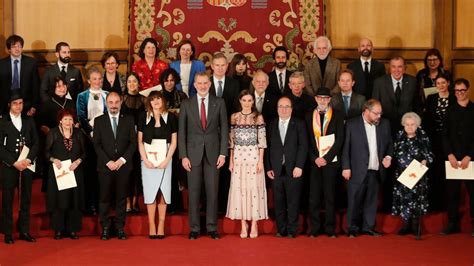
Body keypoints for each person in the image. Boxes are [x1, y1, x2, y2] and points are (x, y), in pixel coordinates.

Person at [178, 72, 228, 240]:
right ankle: (194, 228)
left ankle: (212, 227)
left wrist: (223, 153)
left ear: (210, 84)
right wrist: (183, 156)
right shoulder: (186, 104)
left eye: (205, 83)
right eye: (199, 83)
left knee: (212, 192)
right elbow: (182, 132)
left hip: (214, 154)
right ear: (194, 85)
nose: (202, 86)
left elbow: (224, 129)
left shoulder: (219, 103)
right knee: (193, 192)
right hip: (192, 155)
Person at [342, 99, 393, 238]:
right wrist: (345, 167)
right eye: (376, 113)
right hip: (356, 170)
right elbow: (345, 147)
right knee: (354, 200)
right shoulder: (352, 124)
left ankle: (368, 227)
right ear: (366, 111)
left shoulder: (385, 124)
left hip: (375, 170)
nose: (379, 116)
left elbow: (390, 144)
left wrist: (388, 156)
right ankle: (352, 228)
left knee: (371, 201)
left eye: (380, 113)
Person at [93, 92, 137, 240]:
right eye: (110, 102)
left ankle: (120, 228)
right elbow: (97, 145)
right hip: (105, 166)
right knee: (104, 198)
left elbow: (133, 143)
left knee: (121, 198)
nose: (113, 105)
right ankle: (105, 227)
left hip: (123, 166)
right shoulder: (99, 121)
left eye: (116, 102)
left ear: (120, 102)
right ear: (106, 103)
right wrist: (108, 162)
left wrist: (121, 160)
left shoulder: (129, 120)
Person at [226, 90, 268, 238]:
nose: (247, 103)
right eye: (244, 100)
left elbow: (262, 141)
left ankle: (254, 223)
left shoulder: (258, 117)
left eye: (250, 100)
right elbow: (231, 141)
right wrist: (231, 160)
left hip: (253, 157)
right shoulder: (234, 117)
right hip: (238, 157)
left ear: (253, 102)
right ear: (240, 101)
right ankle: (243, 223)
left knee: (253, 189)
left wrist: (261, 161)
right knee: (240, 189)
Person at [265, 96, 308, 238]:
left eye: (286, 106)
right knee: (279, 202)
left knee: (293, 201)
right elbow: (268, 147)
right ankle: (280, 229)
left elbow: (303, 146)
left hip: (293, 170)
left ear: (291, 109)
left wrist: (299, 166)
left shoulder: (299, 124)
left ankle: (291, 230)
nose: (283, 109)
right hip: (276, 170)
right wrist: (269, 167)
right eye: (281, 106)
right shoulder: (272, 124)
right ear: (277, 109)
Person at [137, 91, 178, 239]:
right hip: (147, 161)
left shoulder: (171, 117)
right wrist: (145, 160)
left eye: (158, 99)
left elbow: (174, 142)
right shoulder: (143, 117)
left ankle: (161, 224)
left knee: (163, 192)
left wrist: (167, 160)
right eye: (152, 99)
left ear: (163, 101)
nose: (155, 102)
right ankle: (151, 225)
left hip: (166, 160)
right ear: (149, 102)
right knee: (150, 192)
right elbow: (140, 141)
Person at [0, 93, 39, 244]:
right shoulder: (3, 122)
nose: (18, 106)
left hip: (27, 165)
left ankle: (24, 230)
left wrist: (29, 159)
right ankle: (8, 232)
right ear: (9, 104)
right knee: (8, 200)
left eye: (21, 103)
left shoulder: (29, 120)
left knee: (26, 199)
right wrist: (13, 162)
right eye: (15, 103)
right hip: (10, 167)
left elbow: (36, 142)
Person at [305, 87, 345, 238]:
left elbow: (340, 140)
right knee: (314, 197)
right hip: (314, 162)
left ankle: (330, 229)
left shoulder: (337, 115)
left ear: (329, 100)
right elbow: (307, 140)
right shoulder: (309, 115)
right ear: (315, 99)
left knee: (330, 196)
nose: (322, 100)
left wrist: (326, 159)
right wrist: (315, 158)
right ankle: (314, 229)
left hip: (331, 162)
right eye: (320, 98)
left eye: (325, 98)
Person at [45, 108, 85, 240]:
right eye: (65, 119)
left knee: (74, 200)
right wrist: (53, 160)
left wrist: (78, 161)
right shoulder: (53, 133)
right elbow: (46, 153)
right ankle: (58, 229)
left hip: (75, 170)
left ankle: (72, 229)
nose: (68, 122)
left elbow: (85, 153)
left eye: (70, 119)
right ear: (60, 120)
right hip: (59, 172)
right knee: (60, 200)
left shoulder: (78, 133)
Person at [441, 78, 474, 237]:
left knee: (473, 193)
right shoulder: (450, 110)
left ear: (467, 90)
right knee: (452, 193)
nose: (460, 93)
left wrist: (469, 156)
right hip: (453, 158)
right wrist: (450, 154)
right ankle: (453, 223)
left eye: (462, 90)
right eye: (457, 91)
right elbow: (444, 135)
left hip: (470, 159)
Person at [392, 112, 433, 236]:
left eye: (412, 124)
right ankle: (405, 225)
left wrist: (426, 160)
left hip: (417, 175)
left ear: (417, 125)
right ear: (403, 125)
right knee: (404, 199)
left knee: (416, 200)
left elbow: (429, 154)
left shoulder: (422, 136)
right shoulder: (399, 135)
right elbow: (392, 152)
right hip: (402, 174)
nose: (409, 127)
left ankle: (415, 225)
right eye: (407, 124)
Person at [76, 66, 108, 216]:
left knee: (102, 172)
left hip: (104, 138)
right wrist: (91, 132)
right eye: (94, 79)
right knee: (89, 172)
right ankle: (89, 204)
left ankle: (102, 204)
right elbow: (81, 117)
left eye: (100, 79)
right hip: (87, 138)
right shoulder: (82, 96)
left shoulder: (107, 95)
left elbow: (109, 115)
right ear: (88, 80)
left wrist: (100, 132)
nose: (98, 82)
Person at [422, 74, 455, 211]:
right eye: (438, 83)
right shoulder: (431, 98)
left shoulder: (454, 98)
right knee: (434, 172)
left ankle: (448, 205)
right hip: (434, 141)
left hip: (451, 141)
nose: (440, 85)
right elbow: (427, 120)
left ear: (448, 83)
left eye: (443, 82)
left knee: (447, 175)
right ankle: (434, 204)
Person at [372, 56, 420, 135]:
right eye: (393, 67)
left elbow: (417, 106)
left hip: (407, 128)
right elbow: (375, 106)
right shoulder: (379, 83)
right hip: (385, 127)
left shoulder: (412, 82)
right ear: (389, 68)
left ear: (405, 68)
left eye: (400, 67)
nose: (396, 70)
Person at [121, 73, 146, 214]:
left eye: (134, 81)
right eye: (129, 81)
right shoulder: (122, 99)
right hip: (125, 141)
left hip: (140, 141)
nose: (132, 84)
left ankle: (136, 202)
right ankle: (127, 203)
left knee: (138, 172)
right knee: (127, 172)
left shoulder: (144, 99)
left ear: (138, 83)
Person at [0, 34, 40, 116]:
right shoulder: (1, 64)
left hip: (26, 104)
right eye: (14, 46)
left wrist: (34, 106)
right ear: (9, 49)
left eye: (19, 46)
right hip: (5, 105)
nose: (17, 49)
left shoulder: (31, 63)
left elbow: (36, 86)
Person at [209, 52, 240, 119]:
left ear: (227, 66)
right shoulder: (205, 83)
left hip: (228, 121)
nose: (220, 68)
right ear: (212, 66)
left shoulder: (234, 84)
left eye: (223, 65)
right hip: (209, 123)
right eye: (217, 65)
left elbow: (236, 105)